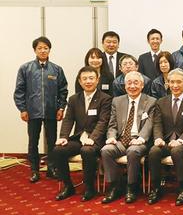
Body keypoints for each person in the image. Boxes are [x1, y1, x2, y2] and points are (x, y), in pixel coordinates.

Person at [14, 37, 68, 182]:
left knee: (52, 142)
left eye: (45, 48)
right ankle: (34, 170)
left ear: (49, 50)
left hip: (52, 111)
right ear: (35, 50)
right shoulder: (25, 68)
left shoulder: (56, 69)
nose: (43, 50)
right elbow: (19, 91)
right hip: (32, 112)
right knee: (33, 142)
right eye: (40, 48)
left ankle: (51, 168)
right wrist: (22, 109)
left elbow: (63, 91)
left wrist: (61, 107)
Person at [53, 66, 111, 201]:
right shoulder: (74, 99)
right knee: (58, 150)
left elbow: (103, 122)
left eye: (91, 78)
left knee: (87, 151)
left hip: (96, 140)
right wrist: (63, 137)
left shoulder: (105, 98)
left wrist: (93, 138)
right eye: (84, 79)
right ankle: (68, 186)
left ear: (97, 80)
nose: (88, 81)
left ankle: (89, 188)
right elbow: (68, 120)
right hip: (79, 138)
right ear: (80, 81)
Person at [101, 71, 156, 204]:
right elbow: (112, 124)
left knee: (133, 151)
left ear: (142, 85)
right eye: (129, 83)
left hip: (140, 140)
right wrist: (111, 137)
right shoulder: (117, 101)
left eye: (136, 83)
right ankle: (114, 186)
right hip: (121, 140)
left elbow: (149, 124)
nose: (132, 86)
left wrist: (141, 139)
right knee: (106, 150)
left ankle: (132, 187)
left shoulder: (151, 101)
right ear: (125, 86)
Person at [147, 69, 183, 206]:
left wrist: (180, 140)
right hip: (166, 140)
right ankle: (156, 188)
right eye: (172, 82)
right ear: (167, 83)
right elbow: (157, 123)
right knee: (153, 151)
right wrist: (158, 138)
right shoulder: (161, 102)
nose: (175, 85)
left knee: (177, 151)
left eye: (179, 82)